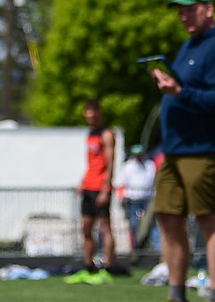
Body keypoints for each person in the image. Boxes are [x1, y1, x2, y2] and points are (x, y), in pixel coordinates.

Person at [137, 0, 215, 302]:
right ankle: (176, 298)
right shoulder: (190, 45)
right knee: (168, 217)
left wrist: (179, 91)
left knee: (209, 218)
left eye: (191, 8)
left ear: (209, 9)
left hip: (206, 148)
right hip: (176, 148)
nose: (185, 15)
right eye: (180, 10)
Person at [66, 99, 118, 284]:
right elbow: (92, 163)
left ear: (100, 112)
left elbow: (110, 163)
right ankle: (88, 267)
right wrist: (83, 182)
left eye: (94, 111)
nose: (91, 115)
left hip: (101, 188)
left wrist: (105, 189)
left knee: (105, 229)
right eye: (88, 111)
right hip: (88, 187)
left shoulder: (106, 134)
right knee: (86, 228)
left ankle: (108, 268)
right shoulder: (90, 134)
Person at [119, 145, 157, 255]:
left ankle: (153, 249)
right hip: (133, 199)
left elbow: (152, 180)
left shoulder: (150, 165)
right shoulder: (128, 166)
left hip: (147, 198)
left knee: (151, 224)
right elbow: (124, 183)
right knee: (134, 224)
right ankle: (137, 248)